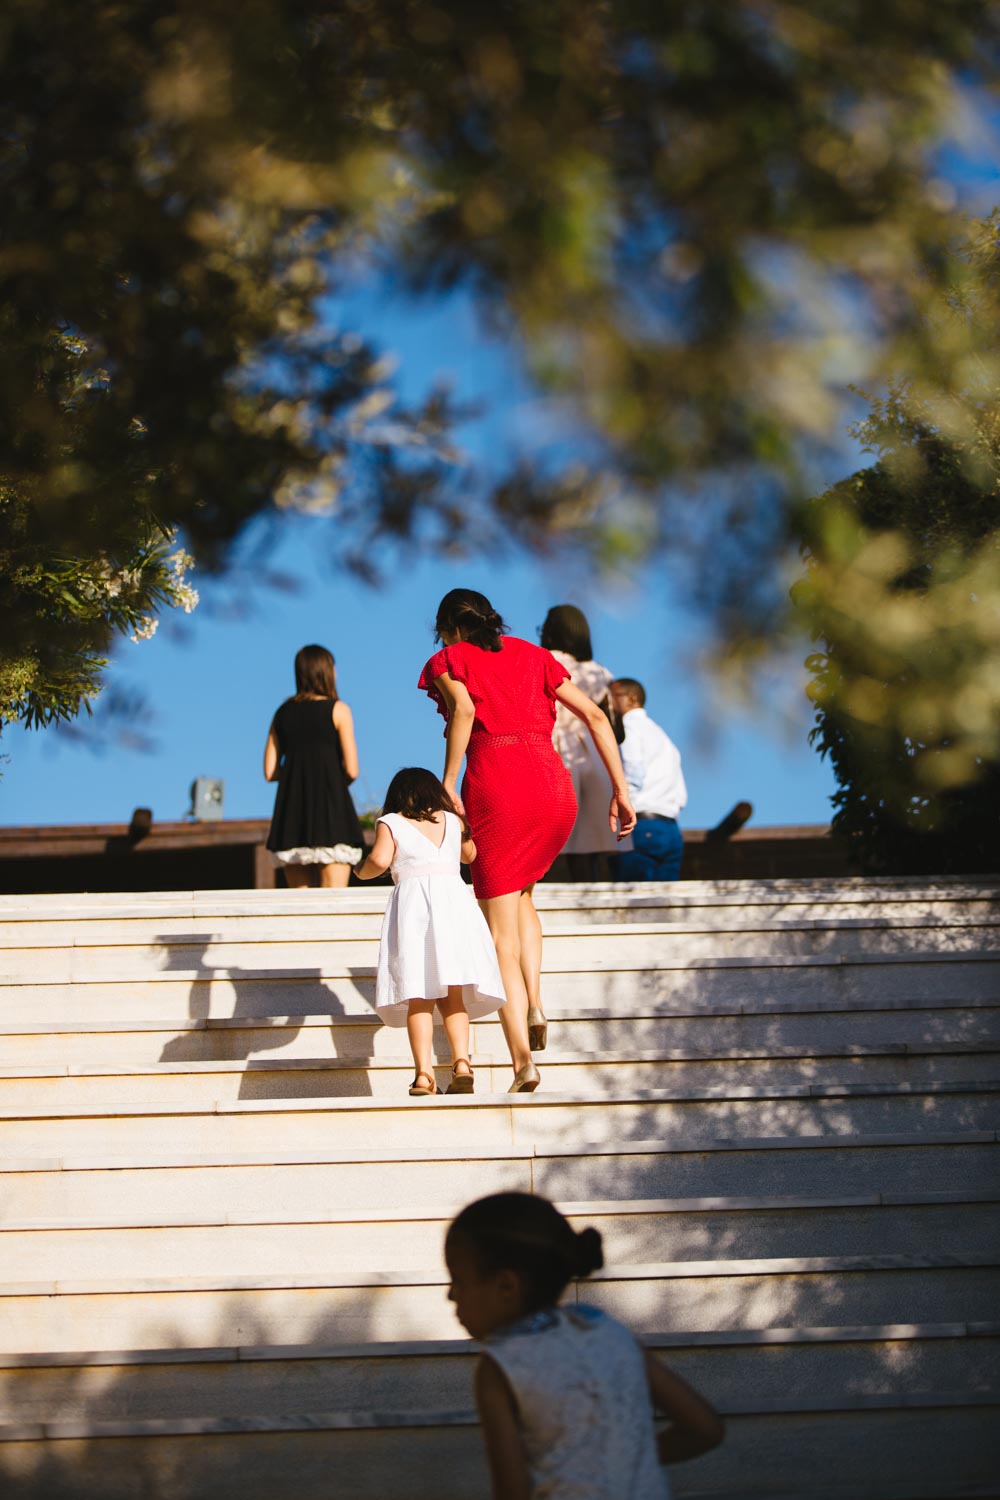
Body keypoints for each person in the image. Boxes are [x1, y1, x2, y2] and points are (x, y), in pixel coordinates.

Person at [419, 589, 636, 1092]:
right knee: (523, 897)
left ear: (449, 628)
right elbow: (599, 718)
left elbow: (466, 714)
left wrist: (449, 784)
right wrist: (622, 792)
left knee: (499, 937)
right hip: (552, 789)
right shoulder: (535, 657)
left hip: (499, 785)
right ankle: (535, 1000)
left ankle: (523, 1062)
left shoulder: (450, 659)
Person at [445, 1192, 725, 1500]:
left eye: (457, 1281)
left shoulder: (501, 1367)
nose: (450, 1295)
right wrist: (622, 1459)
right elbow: (706, 1429)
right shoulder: (607, 1330)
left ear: (506, 1287)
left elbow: (513, 1492)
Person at [353, 767, 506, 1097]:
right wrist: (458, 822)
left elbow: (379, 860)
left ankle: (424, 1075)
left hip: (415, 912)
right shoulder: (451, 822)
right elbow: (471, 855)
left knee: (419, 995)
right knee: (453, 996)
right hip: (453, 907)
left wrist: (359, 870)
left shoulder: (391, 822)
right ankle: (462, 1063)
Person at [540, 603, 633, 882]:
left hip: (558, 745)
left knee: (556, 829)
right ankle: (589, 886)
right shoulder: (599, 672)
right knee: (592, 834)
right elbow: (611, 723)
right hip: (594, 751)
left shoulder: (545, 659)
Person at [264, 644, 365, 889]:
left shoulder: (282, 713)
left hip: (293, 816)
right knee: (334, 904)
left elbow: (270, 771)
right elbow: (352, 769)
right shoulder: (339, 710)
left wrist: (295, 775)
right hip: (332, 813)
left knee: (300, 908)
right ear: (326, 671)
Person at [609, 678, 687, 882]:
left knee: (634, 903)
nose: (609, 704)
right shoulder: (661, 735)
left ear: (632, 698)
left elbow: (632, 774)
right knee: (665, 906)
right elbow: (681, 795)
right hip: (671, 829)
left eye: (614, 697)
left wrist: (621, 810)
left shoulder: (629, 728)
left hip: (641, 825)